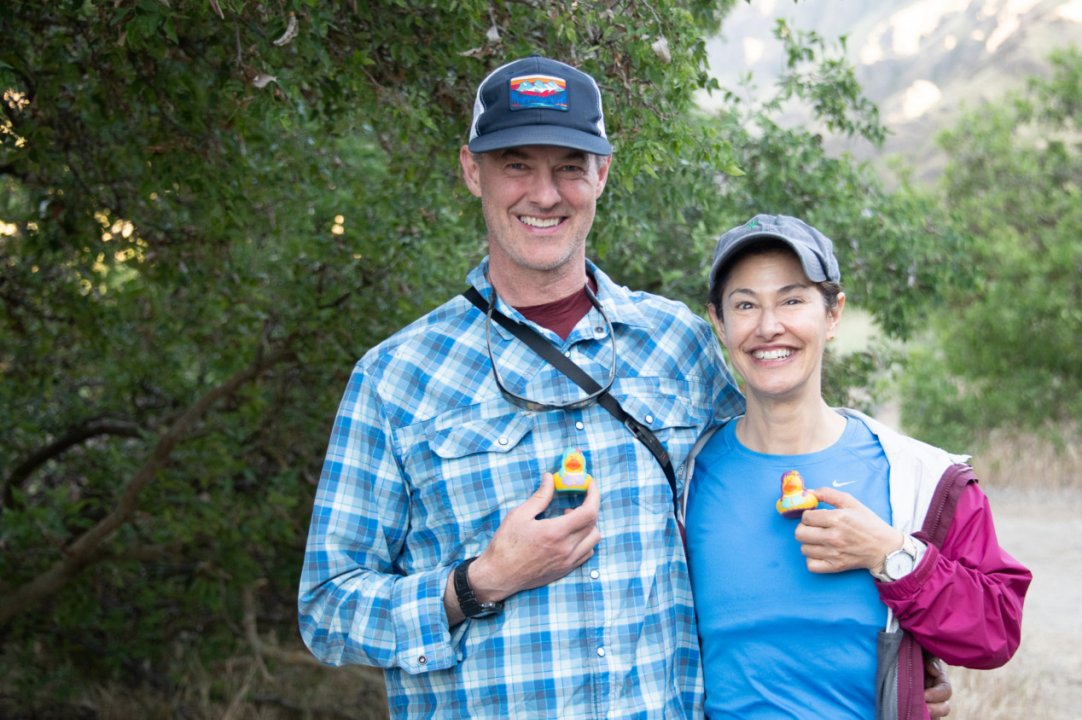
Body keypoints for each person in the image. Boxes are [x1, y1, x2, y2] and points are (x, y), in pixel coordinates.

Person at [298, 55, 954, 718]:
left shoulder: (680, 346)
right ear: (473, 170)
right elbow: (326, 609)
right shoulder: (394, 379)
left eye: (569, 167)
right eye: (517, 164)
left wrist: (874, 666)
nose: (545, 194)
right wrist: (480, 582)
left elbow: (757, 527)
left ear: (601, 174)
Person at [682, 214, 1031, 719]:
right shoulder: (684, 481)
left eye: (792, 299)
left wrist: (890, 555)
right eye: (745, 305)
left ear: (832, 314)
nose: (768, 326)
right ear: (719, 322)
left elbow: (995, 631)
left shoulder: (923, 479)